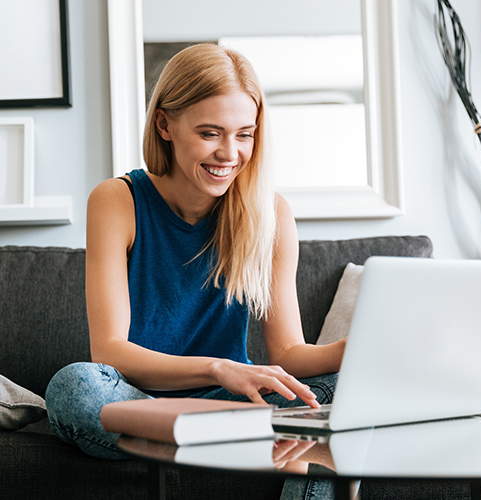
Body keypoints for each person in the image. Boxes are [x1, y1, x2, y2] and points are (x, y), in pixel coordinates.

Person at [45, 43, 346, 497]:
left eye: (245, 134)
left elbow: (288, 353)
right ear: (165, 124)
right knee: (75, 388)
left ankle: (243, 436)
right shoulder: (117, 201)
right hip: (141, 401)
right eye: (210, 133)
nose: (229, 153)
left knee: (343, 392)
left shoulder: (272, 213)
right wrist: (221, 368)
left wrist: (355, 349)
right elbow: (110, 352)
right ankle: (259, 438)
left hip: (231, 404)